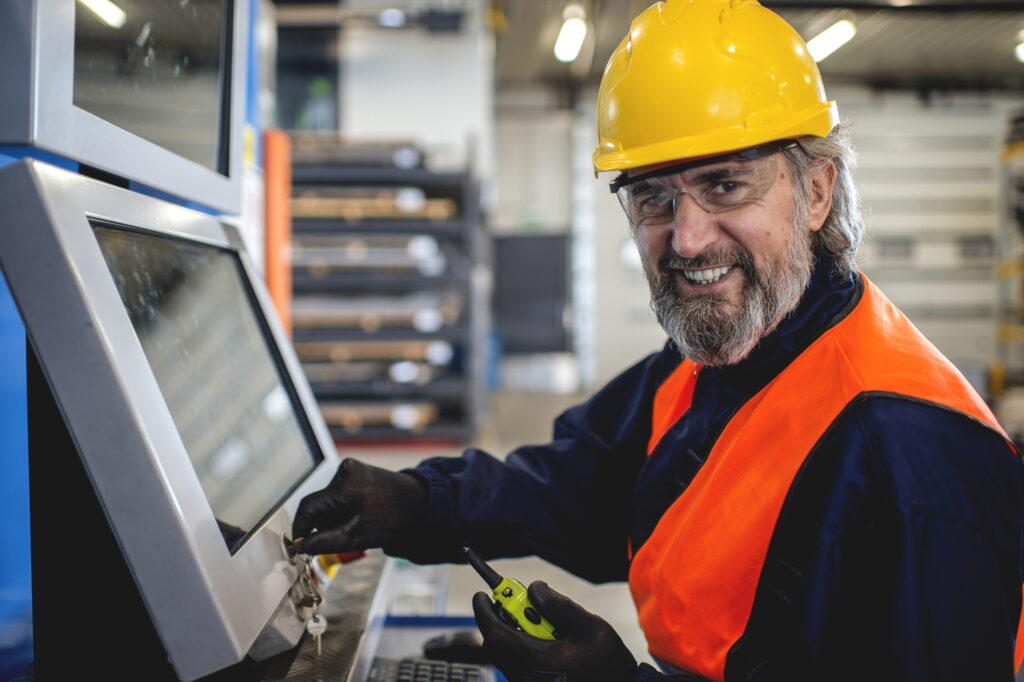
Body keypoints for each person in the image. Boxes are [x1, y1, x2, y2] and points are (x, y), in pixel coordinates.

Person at [291, 0, 1024, 680]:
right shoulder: (723, 360)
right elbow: (586, 483)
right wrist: (420, 503)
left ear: (818, 191)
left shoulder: (909, 458)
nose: (688, 237)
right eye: (654, 197)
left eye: (726, 185)